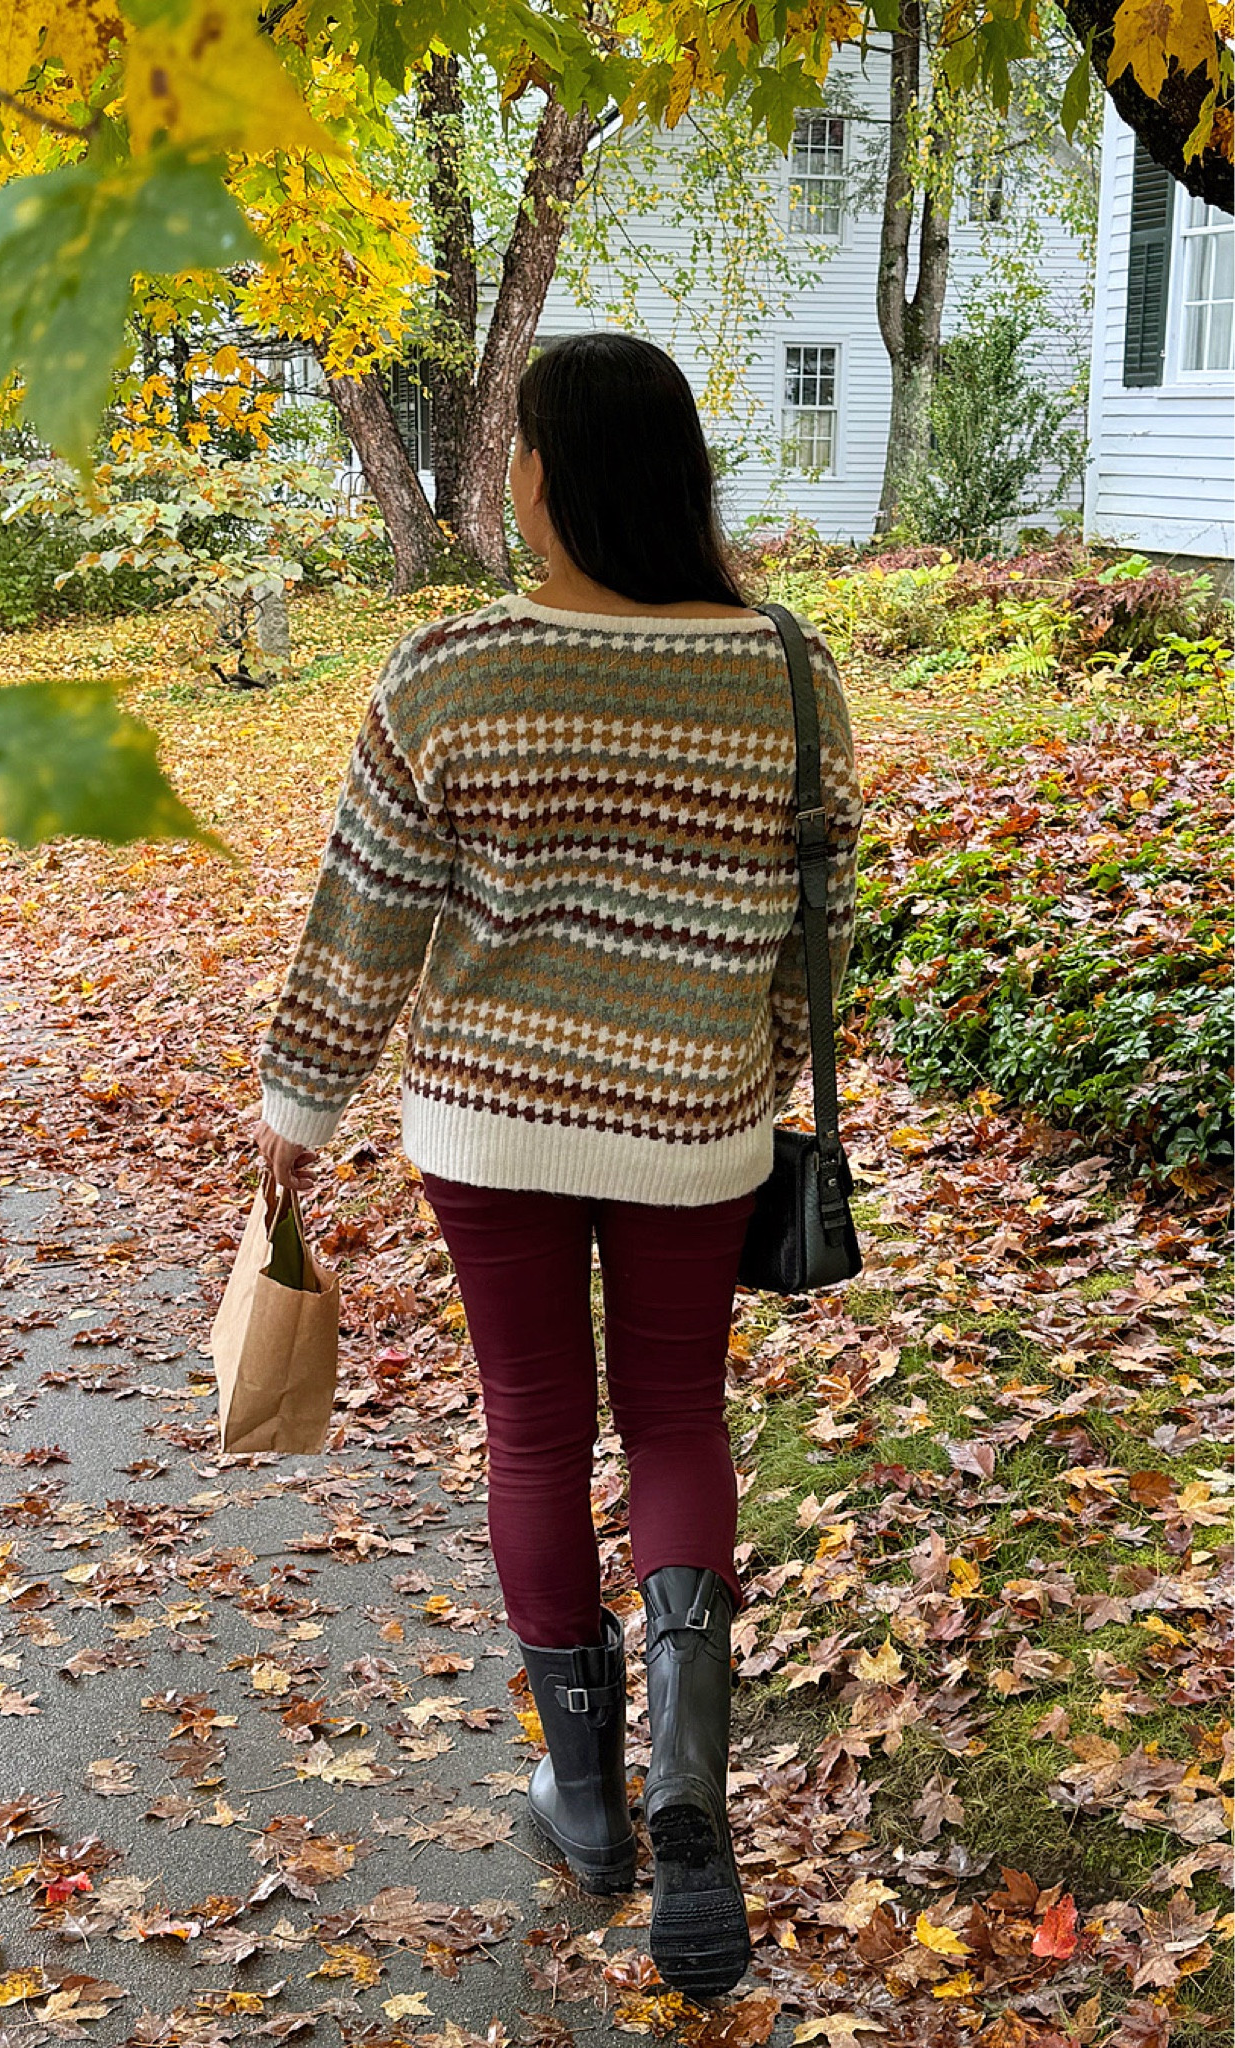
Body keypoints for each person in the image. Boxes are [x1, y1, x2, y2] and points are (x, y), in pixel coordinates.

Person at [251, 332, 861, 1998]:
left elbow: (366, 916)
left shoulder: (449, 671)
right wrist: (757, 1059)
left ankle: (587, 1807)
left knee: (536, 1426)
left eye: (512, 448)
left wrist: (296, 1111)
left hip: (491, 1120)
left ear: (542, 472)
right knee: (674, 1421)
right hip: (695, 1128)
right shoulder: (791, 677)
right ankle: (690, 1783)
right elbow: (820, 934)